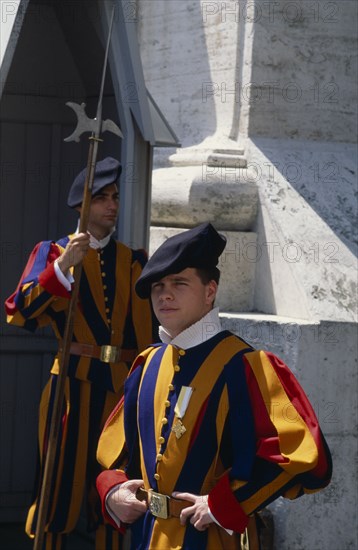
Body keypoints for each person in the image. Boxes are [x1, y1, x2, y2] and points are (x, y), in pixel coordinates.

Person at [96, 222, 332, 550]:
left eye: (179, 282)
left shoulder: (244, 365)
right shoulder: (146, 364)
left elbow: (300, 454)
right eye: (157, 285)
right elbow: (118, 455)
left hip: (211, 538)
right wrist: (112, 490)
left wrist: (223, 505)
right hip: (146, 538)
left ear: (210, 291)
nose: (164, 294)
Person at [5, 157, 157, 549]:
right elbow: (20, 312)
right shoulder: (53, 253)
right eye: (102, 197)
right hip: (71, 391)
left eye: (116, 197)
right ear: (81, 205)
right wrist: (62, 269)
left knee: (115, 494)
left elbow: (150, 333)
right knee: (58, 492)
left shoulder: (135, 261)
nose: (112, 205)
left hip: (119, 395)